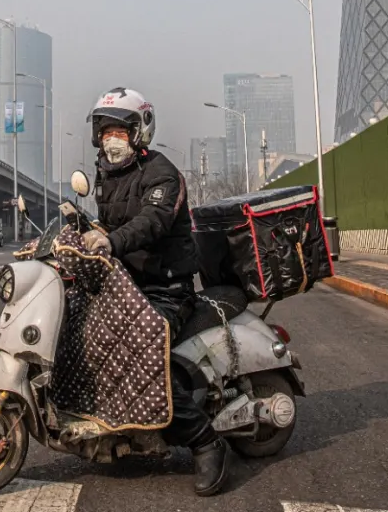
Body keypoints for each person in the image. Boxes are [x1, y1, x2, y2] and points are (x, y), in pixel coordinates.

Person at [79, 87, 230, 497]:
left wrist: (110, 243)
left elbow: (151, 222)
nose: (111, 138)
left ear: (139, 132)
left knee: (141, 353)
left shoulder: (162, 173)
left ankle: (205, 441)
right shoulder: (106, 175)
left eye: (120, 131)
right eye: (105, 130)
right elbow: (109, 224)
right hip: (127, 285)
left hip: (167, 289)